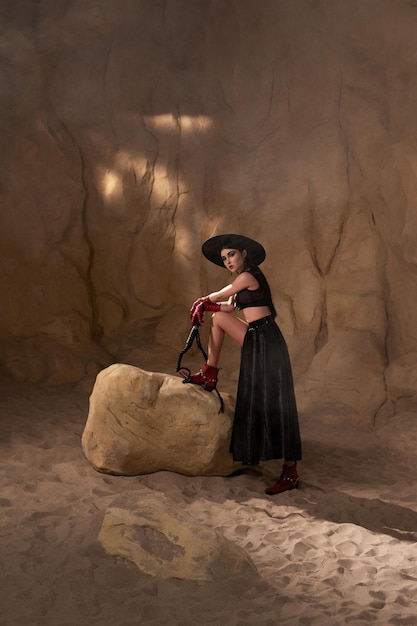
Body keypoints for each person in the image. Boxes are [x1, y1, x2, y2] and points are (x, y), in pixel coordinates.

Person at [182, 234, 302, 495]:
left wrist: (204, 300)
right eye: (224, 258)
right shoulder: (242, 285)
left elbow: (222, 293)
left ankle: (291, 473)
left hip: (267, 341)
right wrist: (207, 307)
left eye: (231, 255)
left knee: (276, 402)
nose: (227, 261)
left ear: (244, 254)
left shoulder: (248, 276)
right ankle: (209, 373)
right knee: (217, 320)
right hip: (255, 335)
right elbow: (227, 307)